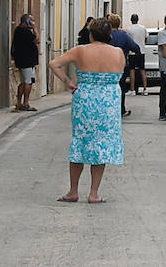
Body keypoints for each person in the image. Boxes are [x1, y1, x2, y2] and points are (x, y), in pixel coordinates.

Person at [49, 18, 125, 203]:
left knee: (80, 141)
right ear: (109, 35)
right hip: (109, 101)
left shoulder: (81, 50)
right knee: (101, 144)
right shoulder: (118, 52)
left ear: (91, 34)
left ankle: (73, 191)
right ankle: (93, 193)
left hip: (85, 99)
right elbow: (120, 72)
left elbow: (54, 64)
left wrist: (68, 81)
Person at [107, 14, 141, 117]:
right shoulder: (124, 35)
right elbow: (136, 48)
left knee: (108, 87)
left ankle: (108, 108)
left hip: (107, 66)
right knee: (120, 87)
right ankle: (121, 109)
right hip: (121, 66)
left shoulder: (105, 35)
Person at [10, 13, 40, 112]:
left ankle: (20, 103)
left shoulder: (19, 30)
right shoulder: (24, 32)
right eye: (31, 20)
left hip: (24, 60)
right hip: (26, 61)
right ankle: (25, 103)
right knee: (28, 82)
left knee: (24, 82)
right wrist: (35, 28)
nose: (33, 22)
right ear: (27, 22)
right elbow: (37, 40)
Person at [125, 13, 148, 95]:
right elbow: (146, 39)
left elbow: (127, 41)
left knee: (132, 71)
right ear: (138, 19)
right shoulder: (143, 28)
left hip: (132, 52)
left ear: (131, 20)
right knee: (142, 70)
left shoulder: (129, 29)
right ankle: (145, 89)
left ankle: (132, 90)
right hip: (141, 51)